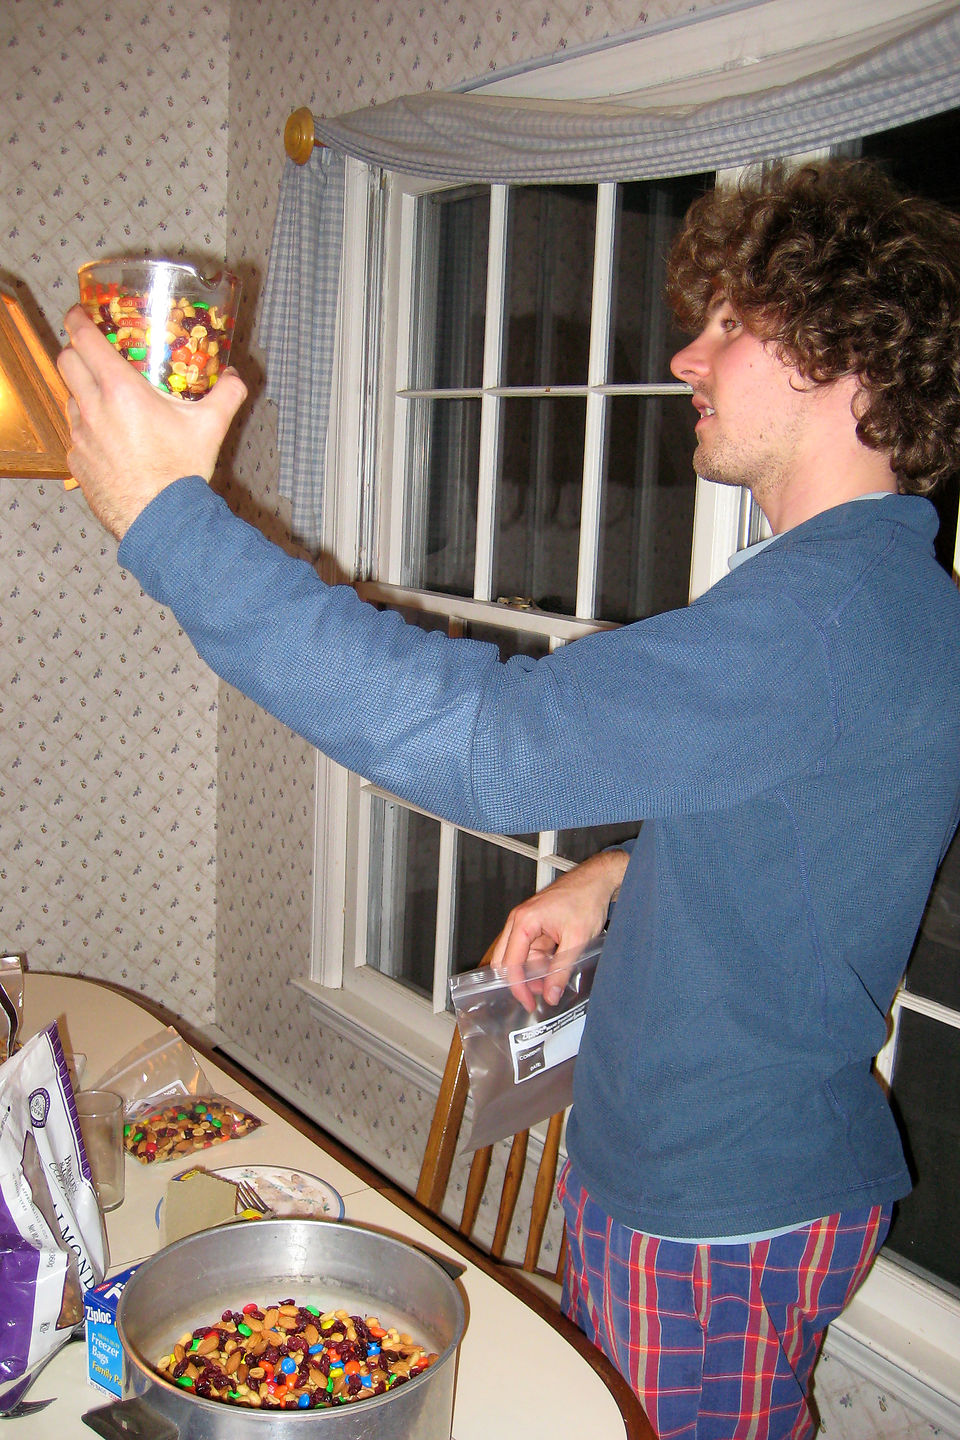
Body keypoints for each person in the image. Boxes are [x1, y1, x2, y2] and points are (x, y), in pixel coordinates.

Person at [57, 159, 960, 1439]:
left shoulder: (817, 615)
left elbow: (487, 742)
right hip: (749, 1168)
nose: (685, 358)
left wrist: (168, 521)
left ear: (843, 352)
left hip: (707, 1200)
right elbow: (815, 814)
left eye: (729, 327)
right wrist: (619, 876)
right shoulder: (889, 596)